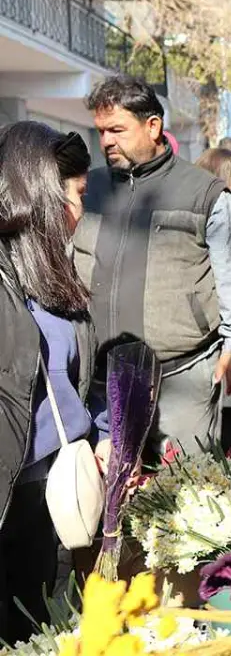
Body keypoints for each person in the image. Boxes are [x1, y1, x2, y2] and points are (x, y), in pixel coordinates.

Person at [74, 75, 231, 457]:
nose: (107, 140)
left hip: (181, 377)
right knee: (109, 500)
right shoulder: (85, 190)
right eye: (102, 131)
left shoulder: (204, 192)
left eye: (117, 130)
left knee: (184, 496)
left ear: (153, 126)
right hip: (100, 381)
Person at [0, 122, 104, 643]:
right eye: (77, 195)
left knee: (34, 631)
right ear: (39, 193)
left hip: (47, 491)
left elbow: (77, 374)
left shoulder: (50, 271)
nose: (80, 211)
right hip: (8, 495)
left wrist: (102, 433)